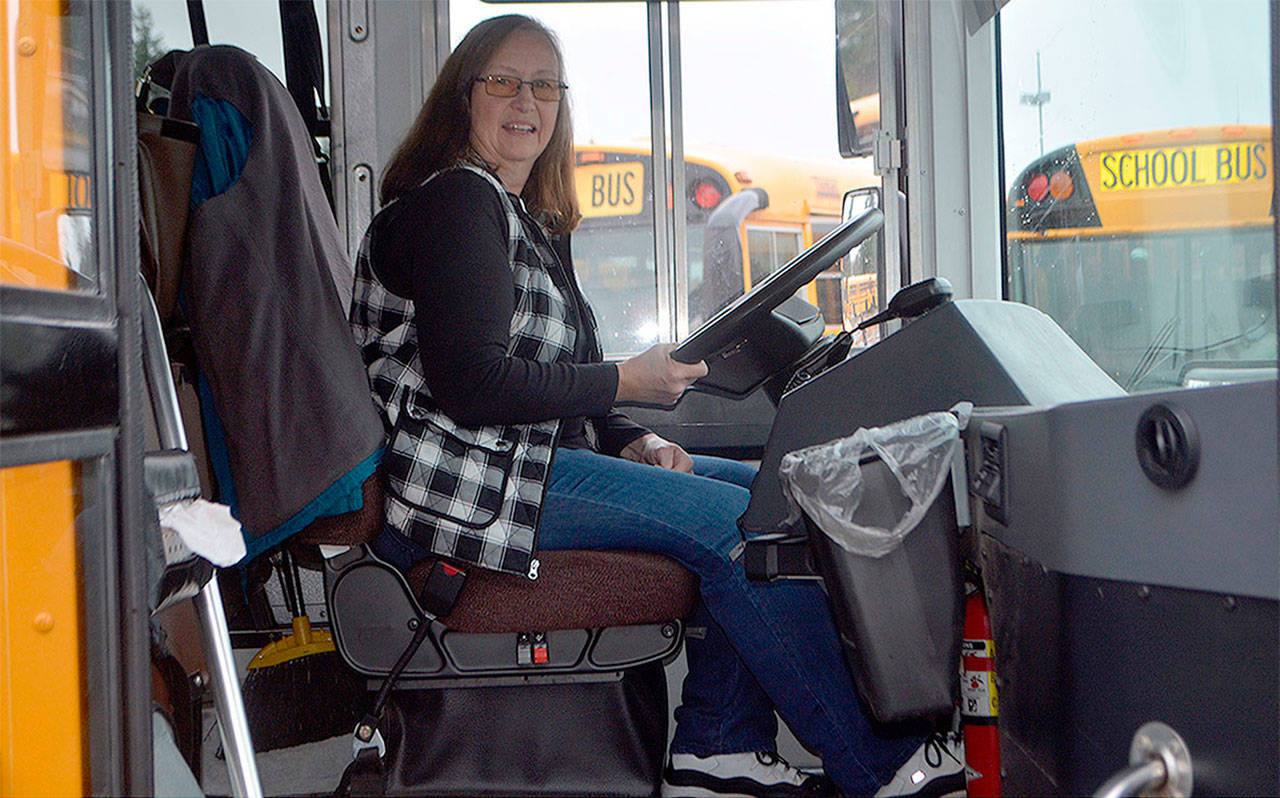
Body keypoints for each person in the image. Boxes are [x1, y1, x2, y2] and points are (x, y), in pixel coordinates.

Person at [349, 14, 962, 797]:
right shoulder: (457, 206)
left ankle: (719, 745)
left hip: (522, 468)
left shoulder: (521, 218)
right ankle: (878, 764)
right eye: (502, 81)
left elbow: (557, 377)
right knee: (732, 523)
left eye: (544, 85)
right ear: (460, 97)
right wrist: (625, 383)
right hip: (464, 495)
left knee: (769, 498)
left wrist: (629, 436)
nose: (525, 102)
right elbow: (473, 386)